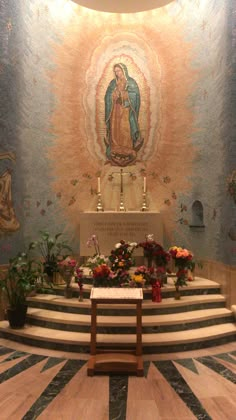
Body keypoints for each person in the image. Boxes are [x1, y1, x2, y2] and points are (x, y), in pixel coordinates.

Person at [104, 63, 143, 166]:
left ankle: (127, 147)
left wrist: (124, 95)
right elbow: (107, 96)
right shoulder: (113, 83)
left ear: (124, 70)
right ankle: (115, 147)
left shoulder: (131, 82)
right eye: (115, 71)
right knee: (115, 128)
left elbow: (135, 96)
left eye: (119, 71)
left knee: (125, 128)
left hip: (126, 110)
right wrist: (113, 95)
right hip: (115, 109)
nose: (117, 73)